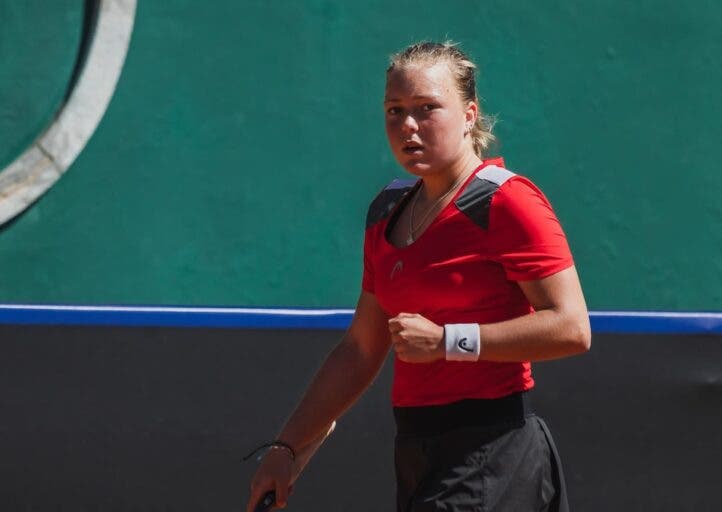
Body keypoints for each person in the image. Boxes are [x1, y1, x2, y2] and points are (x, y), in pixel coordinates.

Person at [247, 41, 590, 512]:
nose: (408, 125)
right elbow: (360, 349)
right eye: (395, 110)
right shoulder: (387, 209)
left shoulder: (506, 202)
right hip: (416, 452)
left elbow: (571, 327)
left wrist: (449, 340)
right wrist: (287, 450)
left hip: (495, 453)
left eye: (427, 108)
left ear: (470, 114)